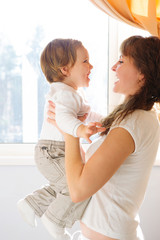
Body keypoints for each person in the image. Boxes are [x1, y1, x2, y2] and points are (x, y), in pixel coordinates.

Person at [48, 35, 160, 240]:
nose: (113, 67)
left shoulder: (134, 122)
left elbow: (79, 190)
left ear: (142, 74)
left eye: (121, 61)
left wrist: (71, 132)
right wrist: (68, 127)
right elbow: (87, 171)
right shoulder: (131, 118)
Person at [17, 38, 105, 240]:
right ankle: (55, 220)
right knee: (77, 187)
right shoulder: (64, 94)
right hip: (52, 152)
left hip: (55, 151)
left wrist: (108, 122)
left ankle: (33, 203)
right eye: (85, 61)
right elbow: (63, 118)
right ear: (65, 69)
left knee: (65, 185)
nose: (91, 66)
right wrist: (80, 130)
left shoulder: (73, 94)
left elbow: (88, 115)